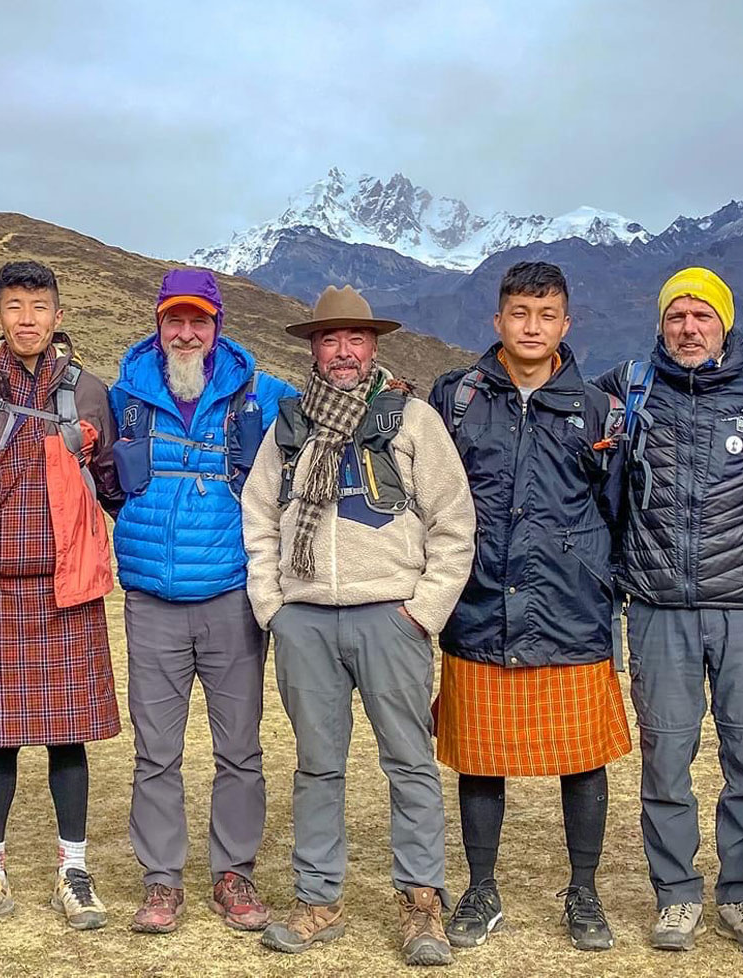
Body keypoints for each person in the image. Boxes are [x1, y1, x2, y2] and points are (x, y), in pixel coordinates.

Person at [242, 285, 475, 966]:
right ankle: (318, 899)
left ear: (373, 345)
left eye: (354, 339)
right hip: (306, 623)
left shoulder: (411, 421)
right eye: (329, 339)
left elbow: (453, 525)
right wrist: (273, 607)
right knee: (317, 766)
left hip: (389, 619)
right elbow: (259, 519)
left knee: (408, 762)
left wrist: (421, 612)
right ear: (312, 348)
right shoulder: (288, 426)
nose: (342, 351)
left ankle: (422, 903)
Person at [430, 262, 630, 955]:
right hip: (481, 602)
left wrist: (595, 574)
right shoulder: (456, 397)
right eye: (520, 313)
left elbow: (617, 507)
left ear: (566, 325)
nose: (533, 327)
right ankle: (481, 888)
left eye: (546, 315)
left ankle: (584, 889)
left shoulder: (598, 410)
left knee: (583, 760)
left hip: (570, 607)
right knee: (481, 759)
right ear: (498, 321)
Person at [590, 267, 743, 953]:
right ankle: (675, 895)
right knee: (666, 759)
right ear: (661, 324)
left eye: (703, 316)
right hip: (657, 606)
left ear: (725, 324)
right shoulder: (629, 389)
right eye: (677, 316)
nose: (690, 328)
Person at [0, 260, 124, 932]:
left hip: (66, 589)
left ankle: (74, 870)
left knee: (69, 739)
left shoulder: (90, 393)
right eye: (14, 305)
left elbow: (112, 485)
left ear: (58, 315)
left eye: (38, 306)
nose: (26, 318)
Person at [109, 269, 296, 934]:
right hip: (152, 599)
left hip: (231, 596)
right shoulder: (122, 396)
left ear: (219, 325)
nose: (186, 332)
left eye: (199, 320)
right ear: (157, 323)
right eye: (174, 320)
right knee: (155, 752)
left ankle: (233, 874)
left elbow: (328, 417)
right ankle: (161, 881)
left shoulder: (262, 395)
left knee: (239, 749)